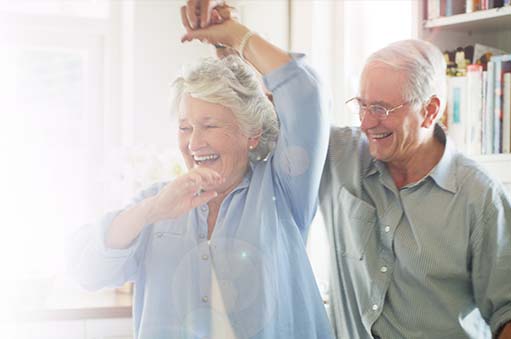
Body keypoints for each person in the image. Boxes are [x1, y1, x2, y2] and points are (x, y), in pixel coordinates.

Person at [181, 1, 511, 338]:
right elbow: (265, 117)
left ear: (430, 111)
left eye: (381, 109)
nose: (367, 123)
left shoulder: (480, 197)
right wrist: (229, 42)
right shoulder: (342, 154)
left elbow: (507, 312)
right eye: (362, 105)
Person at [67, 27, 334, 338]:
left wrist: (235, 34)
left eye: (209, 125)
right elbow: (86, 270)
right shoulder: (157, 203)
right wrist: (151, 211)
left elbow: (305, 93)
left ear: (251, 134)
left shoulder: (282, 191)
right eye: (185, 127)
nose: (194, 143)